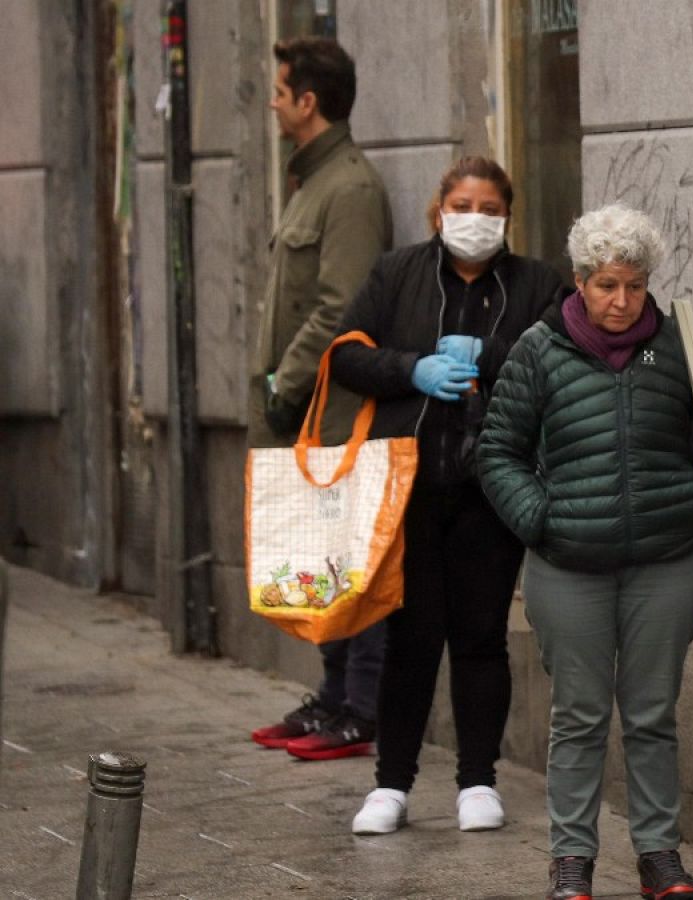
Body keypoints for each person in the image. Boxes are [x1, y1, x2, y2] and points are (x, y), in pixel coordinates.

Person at [477, 204, 693, 900]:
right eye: (606, 285)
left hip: (667, 563)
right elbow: (498, 451)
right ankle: (571, 859)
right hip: (568, 568)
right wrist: (540, 519)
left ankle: (660, 857)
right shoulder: (539, 351)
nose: (622, 301)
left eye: (633, 285)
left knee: (652, 712)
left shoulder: (677, 345)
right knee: (579, 715)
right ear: (579, 282)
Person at [326, 157, 568, 834]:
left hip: (491, 488)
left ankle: (477, 780)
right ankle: (391, 784)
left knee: (481, 638)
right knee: (409, 638)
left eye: (490, 208)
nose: (475, 219)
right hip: (408, 485)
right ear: (439, 211)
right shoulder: (396, 272)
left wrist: (488, 358)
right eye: (463, 205)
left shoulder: (537, 282)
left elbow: (558, 355)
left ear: (508, 217)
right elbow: (346, 353)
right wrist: (412, 368)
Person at [247, 36, 393, 761]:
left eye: (280, 91)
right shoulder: (314, 180)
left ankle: (361, 711)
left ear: (309, 102)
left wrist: (287, 380)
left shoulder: (352, 188)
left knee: (351, 566)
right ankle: (332, 698)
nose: (272, 103)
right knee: (317, 564)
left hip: (334, 415)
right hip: (303, 415)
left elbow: (342, 304)